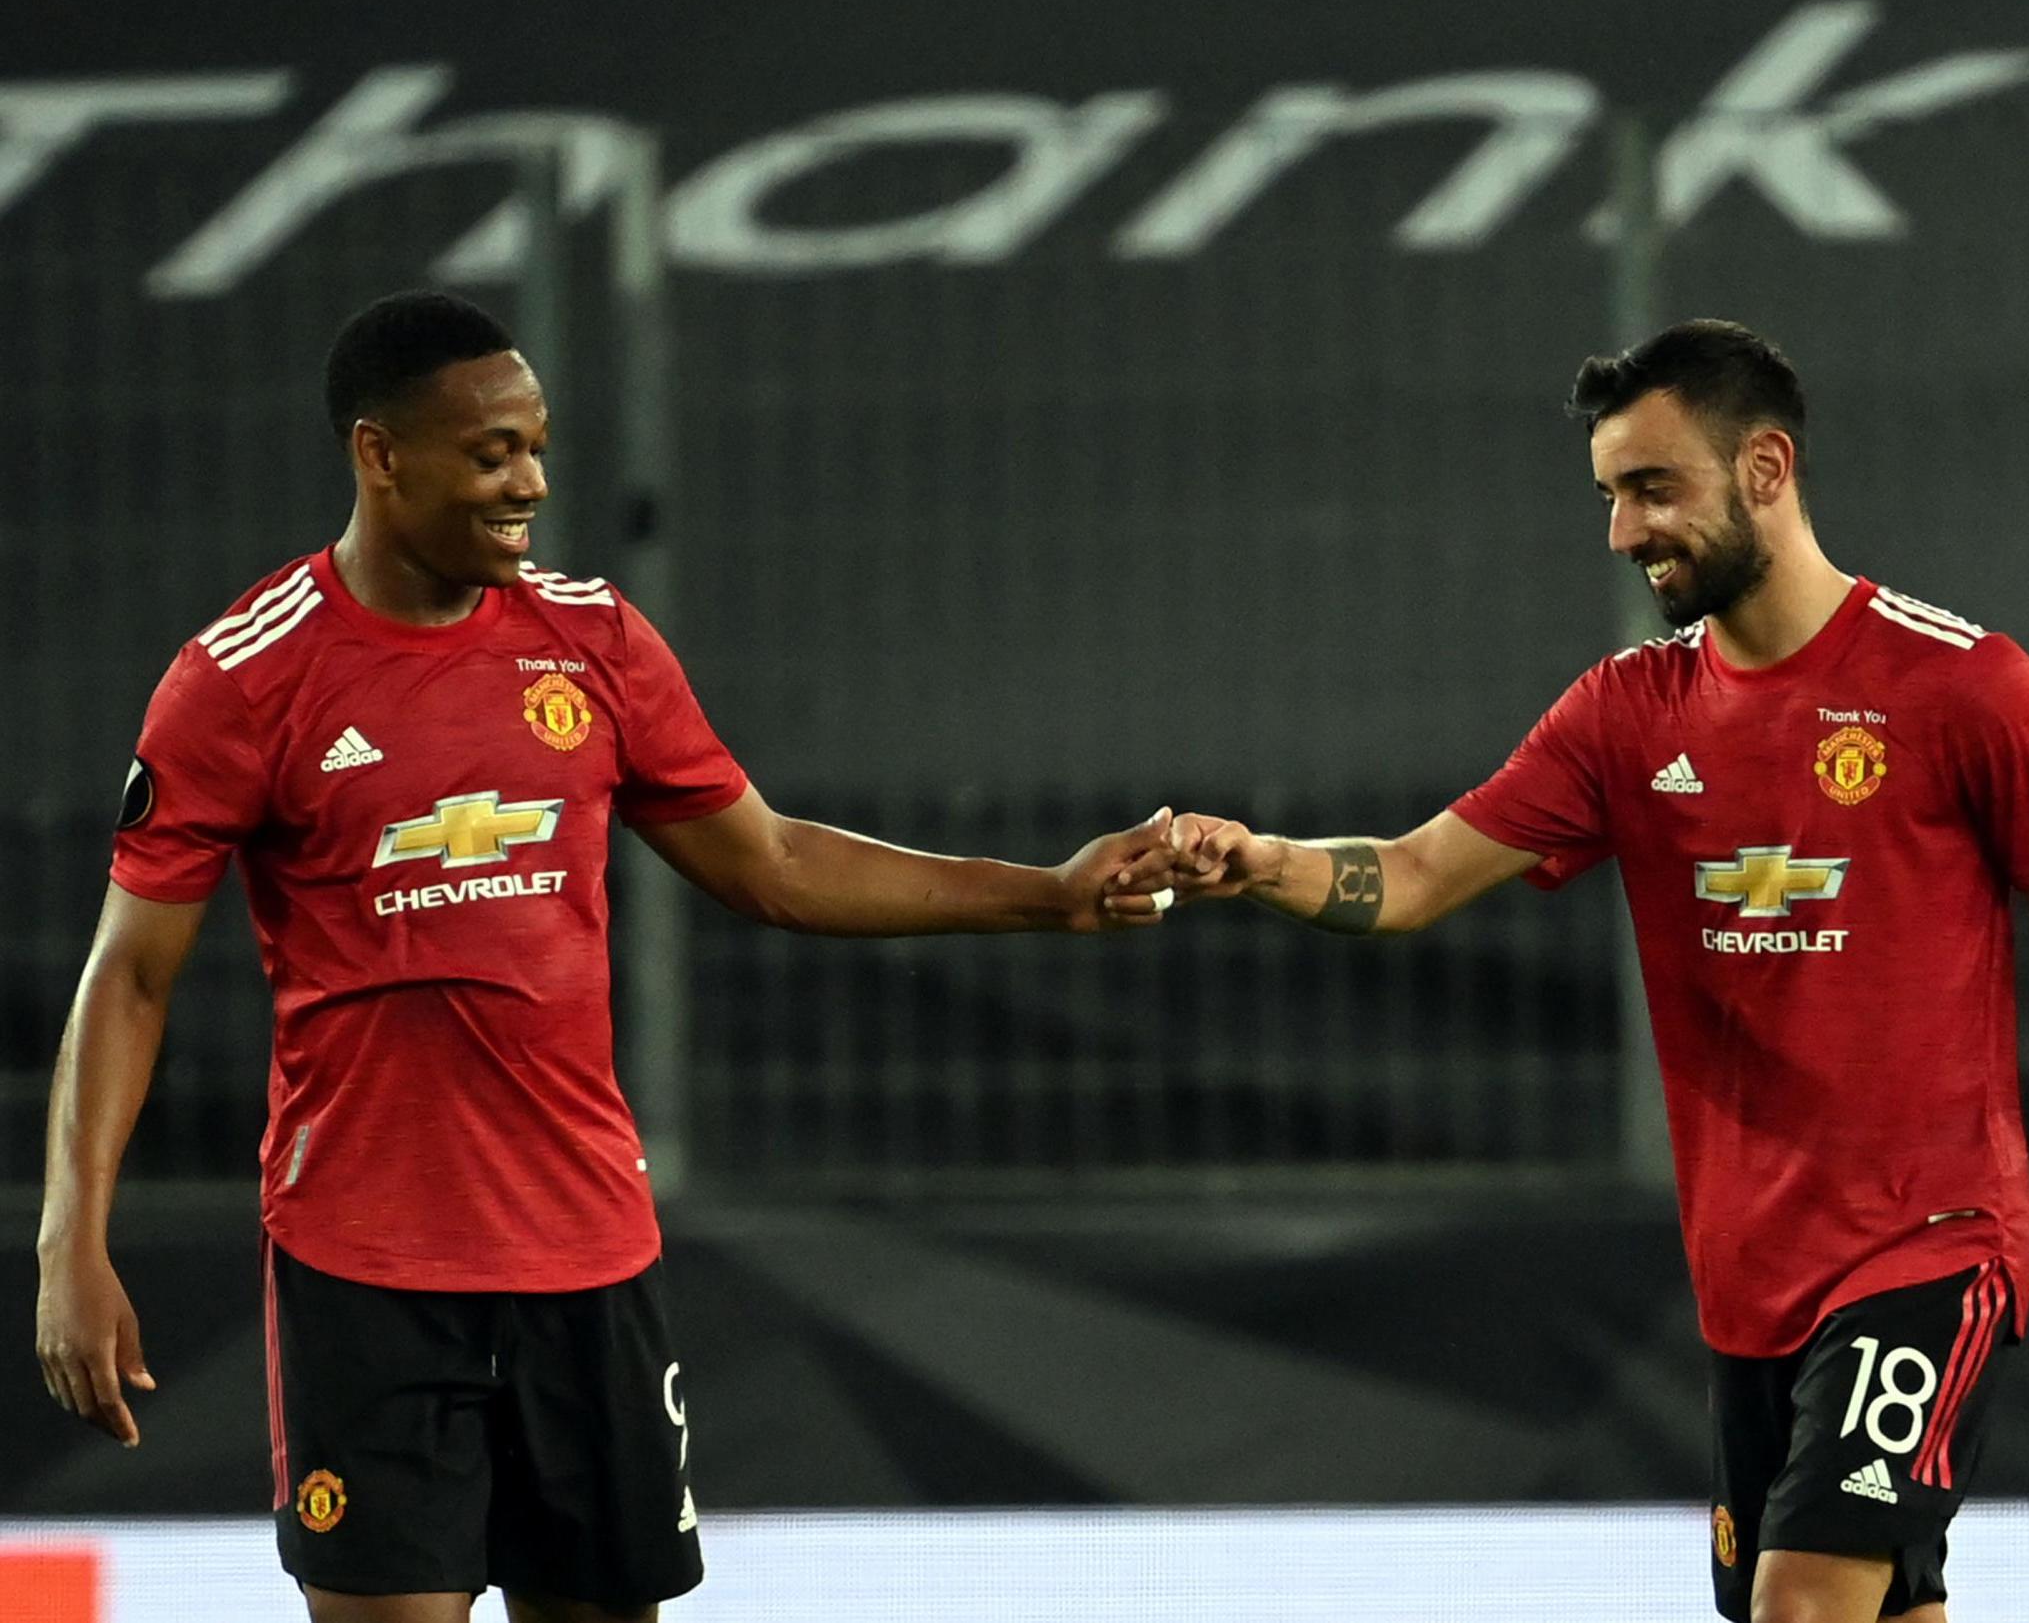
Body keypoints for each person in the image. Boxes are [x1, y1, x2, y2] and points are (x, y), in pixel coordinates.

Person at [33, 290, 1179, 1623]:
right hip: (368, 1263)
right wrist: (73, 1242)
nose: (529, 482)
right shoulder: (244, 679)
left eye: (536, 445)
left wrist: (1048, 897)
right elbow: (129, 974)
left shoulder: (592, 639)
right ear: (378, 454)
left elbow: (773, 861)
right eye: (492, 453)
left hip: (586, 1251)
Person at [1165, 319, 2029, 1623]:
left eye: (1651, 488)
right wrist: (1259, 859)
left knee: (1800, 1603)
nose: (1621, 531)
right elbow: (1417, 874)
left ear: (1765, 469)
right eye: (1609, 495)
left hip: (1928, 1238)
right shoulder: (1620, 715)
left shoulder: (1964, 688)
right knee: (1875, 1609)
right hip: (1749, 1274)